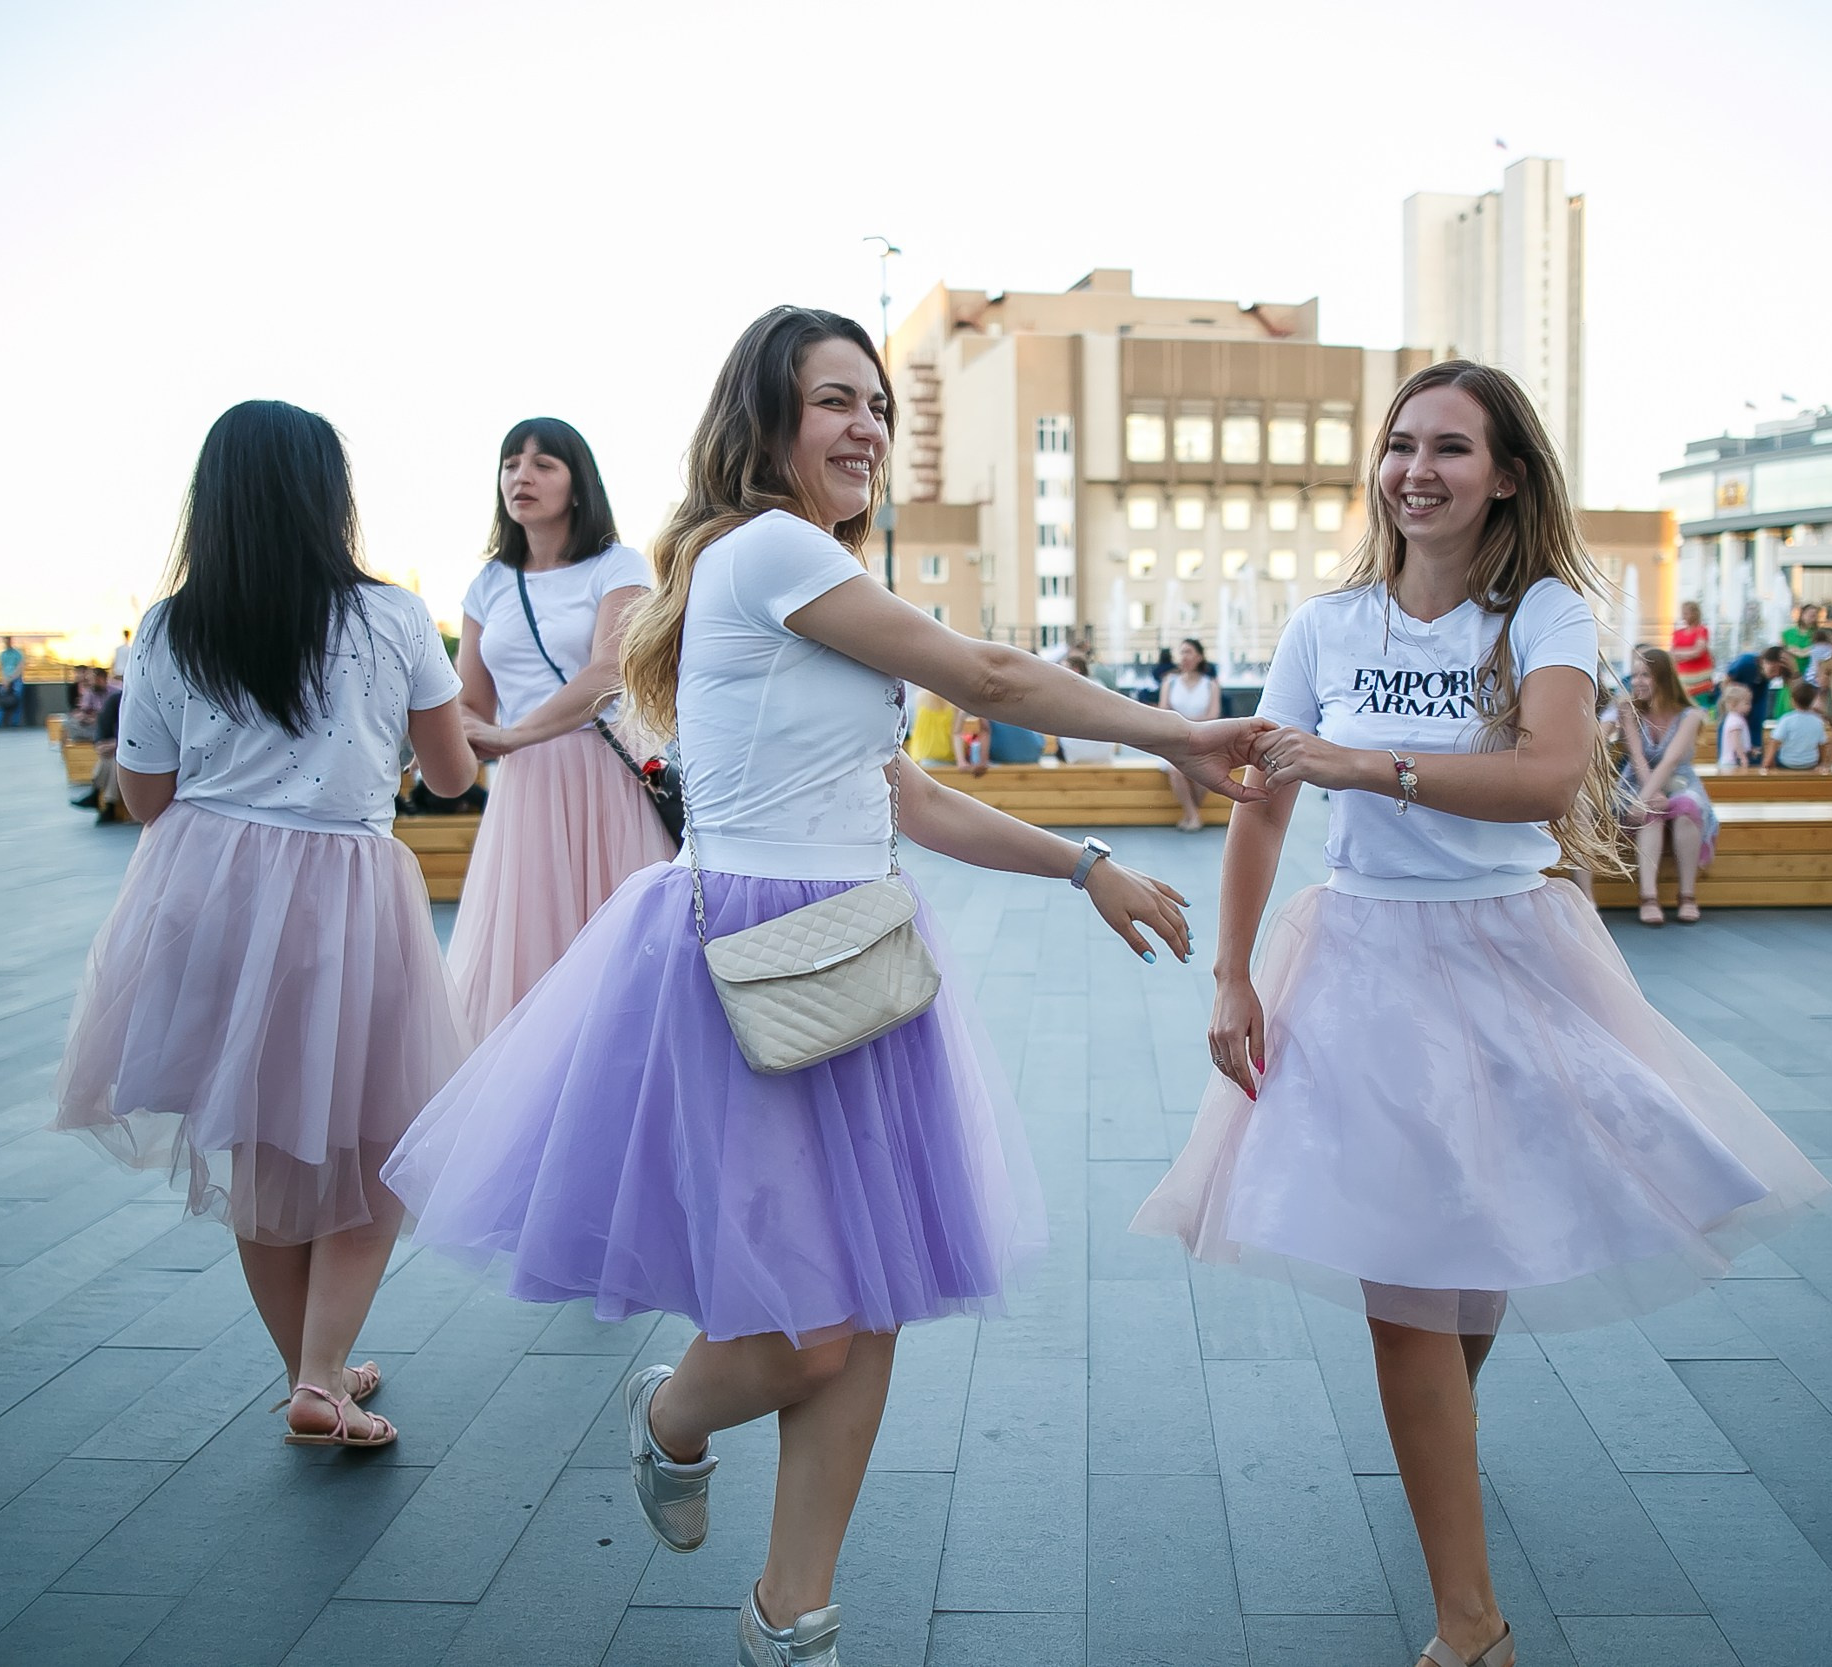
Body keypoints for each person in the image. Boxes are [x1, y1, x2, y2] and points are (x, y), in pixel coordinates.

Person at [382, 306, 1269, 1667]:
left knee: (865, 1305)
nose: (864, 428)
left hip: (855, 954)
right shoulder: (769, 548)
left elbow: (900, 789)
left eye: (877, 407)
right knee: (807, 1330)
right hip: (743, 957)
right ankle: (673, 1415)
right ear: (769, 420)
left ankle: (792, 1610)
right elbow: (984, 671)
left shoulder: (806, 576)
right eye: (835, 402)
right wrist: (1180, 732)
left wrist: (1080, 861)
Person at [1131, 359, 1828, 1667]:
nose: (1417, 471)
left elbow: (1549, 771)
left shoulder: (1547, 610)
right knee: (1407, 1287)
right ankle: (1474, 1625)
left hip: (1516, 956)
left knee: (1475, 1256)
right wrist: (1230, 970)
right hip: (1365, 965)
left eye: (1450, 447)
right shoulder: (1328, 625)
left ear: (1506, 472)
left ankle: (1441, 1431)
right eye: (1401, 446)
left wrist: (1361, 761)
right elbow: (1264, 803)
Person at [56, 399, 476, 1449]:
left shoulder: (168, 626)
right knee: (380, 1140)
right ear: (327, 494)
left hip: (208, 888)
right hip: (344, 890)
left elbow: (145, 797)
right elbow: (450, 772)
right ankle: (325, 1370)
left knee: (258, 1146)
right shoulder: (392, 616)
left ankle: (308, 1372)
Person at [447, 417, 673, 1043]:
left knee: (618, 958)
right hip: (527, 791)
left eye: (544, 464)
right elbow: (469, 705)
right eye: (511, 462)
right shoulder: (487, 585)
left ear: (578, 486)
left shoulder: (617, 565)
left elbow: (610, 671)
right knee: (527, 959)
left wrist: (516, 737)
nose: (522, 475)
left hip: (605, 774)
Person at [1621, 646, 1719, 925]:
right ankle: (1648, 895)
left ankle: (1687, 894)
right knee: (1650, 814)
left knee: (1687, 808)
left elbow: (1671, 760)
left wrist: (1652, 794)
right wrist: (1647, 796)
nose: (1637, 681)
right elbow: (1637, 756)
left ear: (1663, 678)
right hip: (1637, 779)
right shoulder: (1628, 709)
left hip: (1678, 778)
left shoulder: (1690, 715)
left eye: (1646, 675)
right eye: (1635, 675)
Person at [1159, 636, 1222, 829]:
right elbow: (1163, 711)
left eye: (1189, 652)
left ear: (1199, 657)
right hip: (1176, 741)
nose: (1184, 657)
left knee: (1204, 770)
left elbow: (1213, 715)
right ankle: (1193, 815)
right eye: (1182, 652)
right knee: (1175, 769)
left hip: (1203, 740)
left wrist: (1186, 723)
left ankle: (1191, 814)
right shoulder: (1170, 682)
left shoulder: (1210, 684)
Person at [71, 666, 125, 819]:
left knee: (116, 760)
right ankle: (106, 803)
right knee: (108, 758)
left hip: (132, 746)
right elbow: (103, 720)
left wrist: (117, 744)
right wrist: (101, 743)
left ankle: (104, 800)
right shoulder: (115, 699)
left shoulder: (118, 694)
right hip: (116, 742)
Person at [1055, 652, 1120, 764]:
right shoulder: (1099, 685)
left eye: (1063, 668)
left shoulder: (1068, 690)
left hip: (1075, 754)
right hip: (1104, 753)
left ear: (1075, 670)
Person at [1763, 680, 1826, 770]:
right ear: (1812, 701)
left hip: (1787, 762)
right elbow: (1822, 745)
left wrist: (1767, 762)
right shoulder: (1818, 721)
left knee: (1778, 754)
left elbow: (1775, 742)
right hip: (1810, 763)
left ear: (1793, 701)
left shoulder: (1786, 719)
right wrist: (1822, 762)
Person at [1669, 599, 1715, 708]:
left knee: (1701, 706)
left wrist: (1680, 654)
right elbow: (1672, 653)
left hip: (1700, 681)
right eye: (1683, 613)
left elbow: (1698, 651)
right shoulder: (1678, 633)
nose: (1683, 616)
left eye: (1686, 613)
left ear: (1695, 613)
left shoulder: (1702, 630)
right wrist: (1688, 653)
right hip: (1682, 678)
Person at [907, 686, 959, 765]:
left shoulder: (920, 696)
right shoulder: (954, 701)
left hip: (924, 754)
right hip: (949, 757)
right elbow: (956, 733)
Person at [1715, 681, 1754, 771]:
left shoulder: (1735, 718)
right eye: (1747, 703)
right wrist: (1742, 757)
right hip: (1731, 763)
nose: (1750, 706)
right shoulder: (1735, 720)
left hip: (1731, 762)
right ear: (1733, 704)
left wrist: (1750, 750)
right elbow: (1736, 741)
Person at [1781, 602, 1820, 679]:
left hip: (1810, 675)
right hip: (1790, 674)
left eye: (1814, 616)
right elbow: (1781, 652)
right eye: (1810, 615)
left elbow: (1812, 652)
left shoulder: (1817, 635)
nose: (1812, 618)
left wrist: (1795, 651)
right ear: (1802, 615)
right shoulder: (1787, 633)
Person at [0, 636, 27, 729]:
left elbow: (20, 668)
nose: (7, 643)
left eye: (8, 641)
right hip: (5, 679)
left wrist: (10, 679)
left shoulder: (18, 653)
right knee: (1, 701)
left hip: (16, 680)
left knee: (17, 700)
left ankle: (15, 722)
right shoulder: (2, 654)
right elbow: (2, 668)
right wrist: (4, 680)